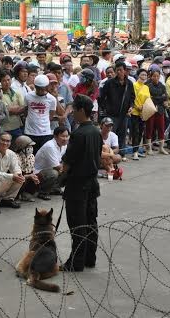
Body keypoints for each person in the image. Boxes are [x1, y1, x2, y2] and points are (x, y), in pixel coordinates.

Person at [60, 94, 101, 272]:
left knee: (77, 224)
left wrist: (61, 178)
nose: (73, 113)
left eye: (74, 110)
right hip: (92, 183)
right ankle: (89, 258)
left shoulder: (78, 134)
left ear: (82, 111)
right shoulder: (96, 132)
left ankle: (76, 262)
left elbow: (68, 162)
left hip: (78, 184)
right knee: (91, 222)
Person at [100, 62, 134, 156]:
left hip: (124, 114)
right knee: (111, 134)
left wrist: (131, 107)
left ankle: (121, 154)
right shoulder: (109, 83)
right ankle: (109, 154)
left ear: (125, 71)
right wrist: (105, 108)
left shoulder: (129, 83)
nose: (119, 72)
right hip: (111, 114)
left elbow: (132, 97)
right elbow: (102, 97)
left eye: (121, 70)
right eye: (117, 70)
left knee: (122, 134)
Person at [24, 74, 63, 154]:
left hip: (45, 132)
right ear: (35, 86)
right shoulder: (28, 96)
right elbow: (26, 111)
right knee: (30, 155)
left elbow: (51, 115)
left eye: (43, 89)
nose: (41, 91)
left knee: (43, 155)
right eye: (39, 89)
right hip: (30, 132)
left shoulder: (52, 99)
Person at [33, 126, 69, 199]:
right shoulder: (50, 146)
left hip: (50, 169)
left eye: (66, 136)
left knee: (68, 168)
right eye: (62, 136)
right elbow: (58, 166)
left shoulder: (63, 145)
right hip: (38, 173)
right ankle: (42, 192)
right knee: (55, 173)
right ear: (55, 136)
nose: (65, 139)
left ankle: (54, 189)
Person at [146, 68, 168, 155]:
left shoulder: (162, 86)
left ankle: (161, 148)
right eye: (154, 76)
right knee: (149, 128)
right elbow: (150, 98)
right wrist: (160, 98)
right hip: (151, 109)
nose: (156, 78)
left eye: (157, 76)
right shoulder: (147, 85)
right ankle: (148, 148)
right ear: (151, 76)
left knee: (161, 128)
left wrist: (158, 98)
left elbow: (165, 97)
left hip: (160, 110)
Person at [131, 69, 151, 160]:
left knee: (141, 131)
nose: (144, 76)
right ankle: (134, 152)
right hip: (135, 112)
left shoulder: (146, 87)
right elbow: (133, 97)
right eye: (142, 74)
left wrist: (144, 107)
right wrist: (137, 106)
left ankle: (137, 150)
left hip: (143, 112)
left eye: (146, 75)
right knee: (135, 132)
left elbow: (148, 99)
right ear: (138, 75)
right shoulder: (134, 85)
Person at [0, 70, 25, 139]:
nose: (7, 82)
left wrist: (12, 109)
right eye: (4, 81)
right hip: (5, 128)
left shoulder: (17, 93)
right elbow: (6, 110)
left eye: (8, 80)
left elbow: (24, 108)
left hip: (17, 126)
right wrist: (17, 108)